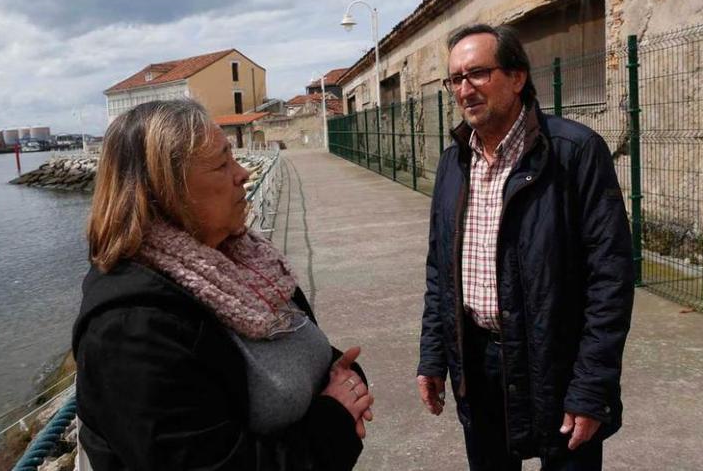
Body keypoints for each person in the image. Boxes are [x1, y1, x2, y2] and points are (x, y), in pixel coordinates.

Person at [73, 99, 373, 470]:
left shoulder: (245, 259)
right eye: (221, 164)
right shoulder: (129, 330)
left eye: (233, 157)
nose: (243, 173)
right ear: (166, 192)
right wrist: (336, 420)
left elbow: (304, 346)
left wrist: (348, 380)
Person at [417, 23, 634, 470]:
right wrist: (434, 356)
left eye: (477, 73)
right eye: (455, 78)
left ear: (517, 78)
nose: (465, 88)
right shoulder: (453, 163)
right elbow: (440, 272)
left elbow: (610, 279)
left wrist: (592, 386)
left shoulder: (573, 153)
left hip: (556, 363)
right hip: (478, 365)